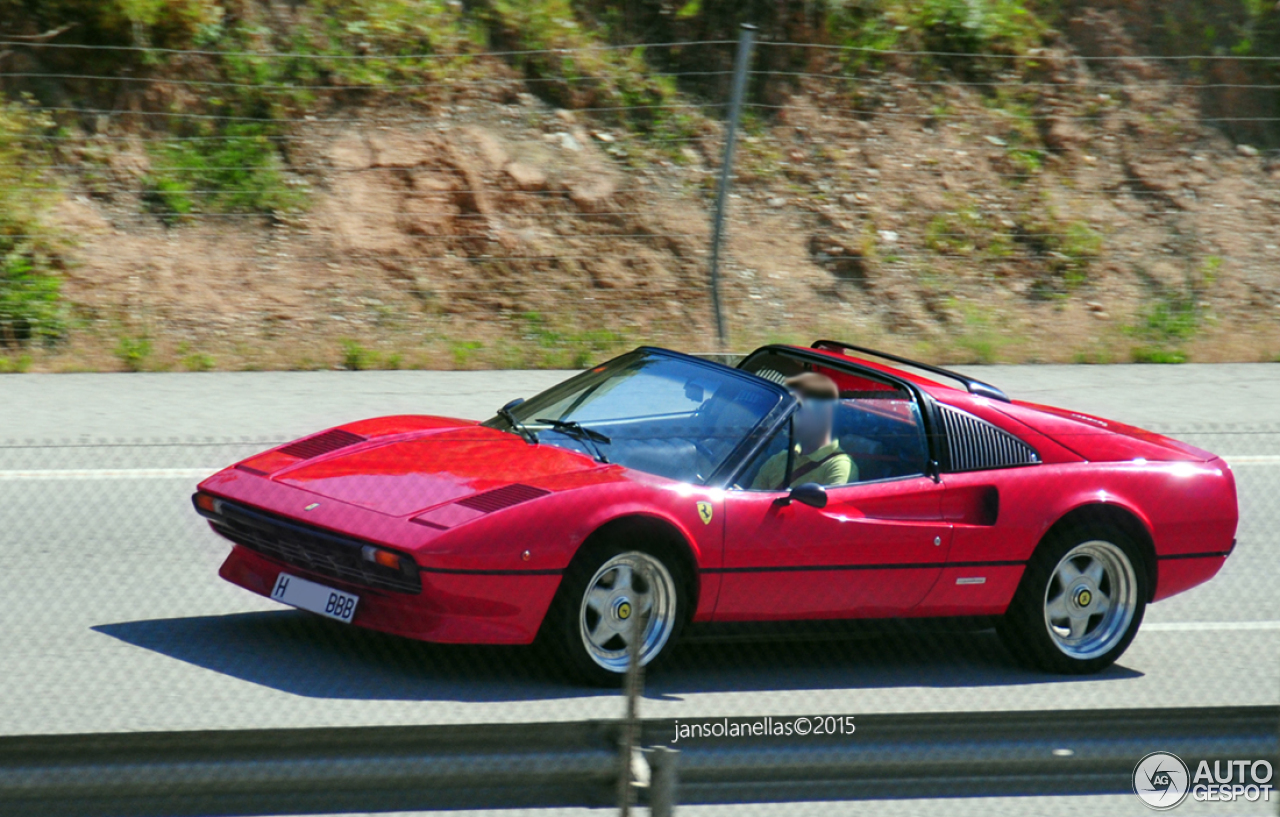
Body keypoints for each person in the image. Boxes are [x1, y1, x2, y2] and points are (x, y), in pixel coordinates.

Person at [751, 372, 855, 490]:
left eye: (799, 410)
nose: (788, 416)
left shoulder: (838, 466)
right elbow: (750, 502)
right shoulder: (778, 459)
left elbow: (829, 507)